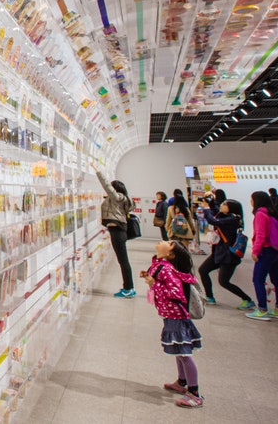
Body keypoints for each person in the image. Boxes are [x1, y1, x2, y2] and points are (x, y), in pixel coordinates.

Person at [142, 240, 203, 408]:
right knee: (178, 350)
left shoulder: (168, 269)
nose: (163, 241)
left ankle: (195, 394)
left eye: (168, 243)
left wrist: (155, 284)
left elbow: (175, 293)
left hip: (177, 317)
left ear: (170, 255)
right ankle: (181, 382)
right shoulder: (162, 265)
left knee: (184, 353)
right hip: (171, 315)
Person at [197, 199, 254, 309]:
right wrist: (212, 203)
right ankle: (210, 297)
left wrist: (207, 209)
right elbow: (217, 212)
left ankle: (247, 300)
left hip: (229, 255)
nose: (221, 206)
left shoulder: (233, 219)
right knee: (203, 270)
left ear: (231, 208)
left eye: (224, 204)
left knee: (224, 282)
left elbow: (214, 221)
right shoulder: (227, 216)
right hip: (219, 252)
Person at [94, 164, 135, 298]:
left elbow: (106, 186)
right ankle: (129, 287)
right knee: (123, 260)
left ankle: (128, 288)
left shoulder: (117, 198)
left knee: (123, 260)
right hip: (119, 230)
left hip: (117, 231)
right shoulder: (122, 200)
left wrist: (97, 170)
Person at [246, 190, 278, 321]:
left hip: (266, 250)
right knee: (277, 280)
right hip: (276, 250)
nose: (250, 201)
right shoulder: (272, 213)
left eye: (252, 199)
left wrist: (255, 250)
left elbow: (261, 234)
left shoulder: (260, 214)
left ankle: (262, 309)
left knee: (258, 279)